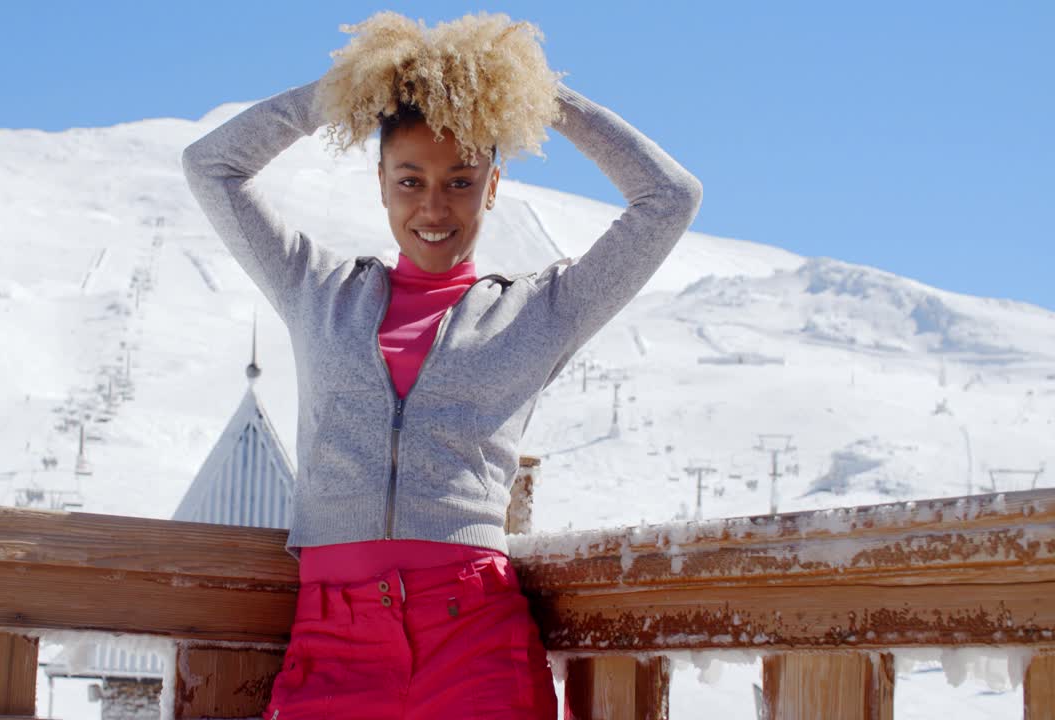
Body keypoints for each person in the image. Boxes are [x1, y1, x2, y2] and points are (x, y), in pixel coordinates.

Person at [182, 11, 701, 719]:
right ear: (381, 182)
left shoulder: (540, 312)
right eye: (410, 180)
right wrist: (350, 90)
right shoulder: (317, 290)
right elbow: (211, 166)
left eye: (460, 181)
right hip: (334, 643)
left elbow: (670, 198)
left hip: (476, 643)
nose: (433, 206)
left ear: (493, 184)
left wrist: (532, 95)